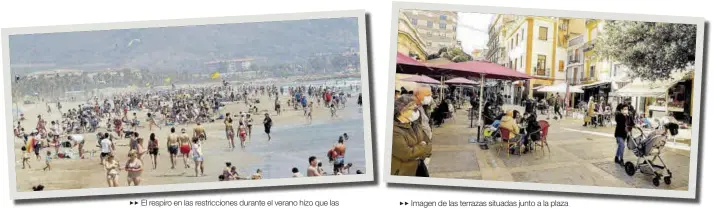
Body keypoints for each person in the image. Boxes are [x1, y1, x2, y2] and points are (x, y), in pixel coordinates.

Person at [391, 95, 429, 176]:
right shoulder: (394, 130)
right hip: (403, 172)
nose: (417, 112)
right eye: (414, 109)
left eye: (417, 108)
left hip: (420, 168)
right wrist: (422, 147)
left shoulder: (415, 124)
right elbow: (406, 154)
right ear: (402, 111)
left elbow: (428, 143)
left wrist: (419, 153)